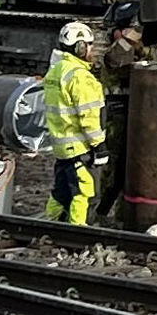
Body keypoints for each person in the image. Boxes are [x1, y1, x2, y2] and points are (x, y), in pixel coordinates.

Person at [44, 19, 108, 225]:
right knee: (85, 193)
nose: (91, 50)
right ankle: (78, 235)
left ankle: (50, 226)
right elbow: (88, 118)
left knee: (61, 192)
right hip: (80, 149)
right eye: (89, 45)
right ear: (80, 47)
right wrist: (99, 146)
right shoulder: (80, 77)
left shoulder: (56, 71)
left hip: (62, 147)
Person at [95, 1, 143, 218]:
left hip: (136, 115)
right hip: (118, 115)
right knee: (114, 169)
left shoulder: (136, 50)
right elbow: (115, 59)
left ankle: (123, 214)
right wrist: (131, 35)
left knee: (131, 167)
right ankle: (101, 212)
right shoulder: (114, 54)